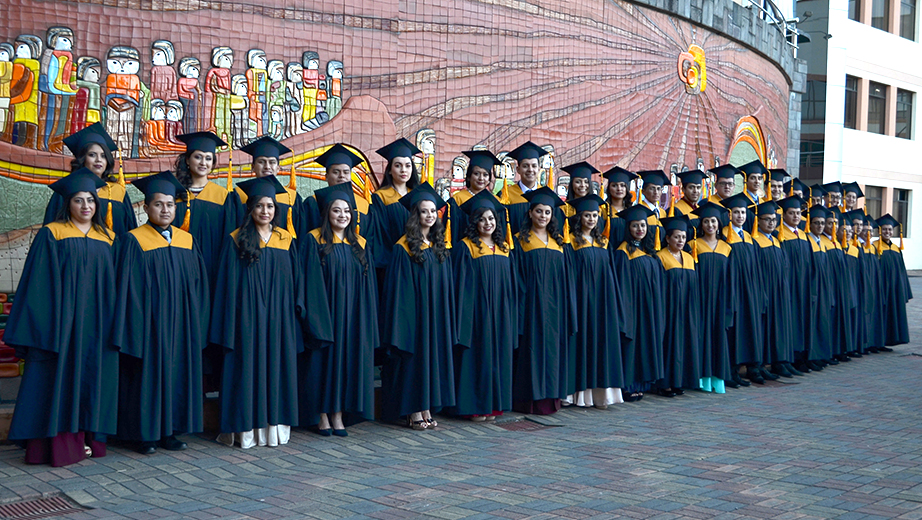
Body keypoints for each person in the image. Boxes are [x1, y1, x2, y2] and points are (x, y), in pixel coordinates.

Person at [211, 176, 332, 449]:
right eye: (259, 206)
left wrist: (296, 315)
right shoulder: (236, 240)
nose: (265, 211)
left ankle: (272, 430)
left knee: (277, 369)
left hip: (279, 319)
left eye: (270, 206)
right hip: (247, 319)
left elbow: (297, 282)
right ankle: (245, 431)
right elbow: (227, 286)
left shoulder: (285, 240)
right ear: (250, 209)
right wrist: (234, 321)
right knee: (246, 370)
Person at [6, 170, 117, 467]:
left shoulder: (108, 239)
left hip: (97, 326)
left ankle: (88, 441)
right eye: (78, 200)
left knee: (91, 380)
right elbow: (39, 284)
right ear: (67, 203)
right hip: (62, 326)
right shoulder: (52, 233)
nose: (85, 206)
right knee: (57, 381)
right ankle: (55, 446)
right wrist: (49, 325)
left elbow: (114, 285)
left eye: (90, 200)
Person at [111, 171, 209, 454]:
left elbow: (198, 287)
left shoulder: (186, 241)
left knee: (177, 376)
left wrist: (196, 323)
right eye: (158, 204)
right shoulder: (133, 240)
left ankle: (171, 433)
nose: (165, 209)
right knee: (148, 378)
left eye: (169, 205)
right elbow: (127, 289)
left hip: (181, 324)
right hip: (150, 324)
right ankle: (146, 435)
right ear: (145, 208)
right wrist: (139, 325)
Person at [299, 183, 378, 436]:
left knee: (347, 363)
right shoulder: (313, 240)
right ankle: (322, 414)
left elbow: (368, 286)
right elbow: (309, 281)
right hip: (326, 314)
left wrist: (365, 320)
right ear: (327, 214)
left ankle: (339, 414)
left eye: (346, 211)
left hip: (352, 316)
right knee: (323, 363)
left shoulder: (361, 244)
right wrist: (317, 318)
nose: (342, 215)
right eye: (336, 211)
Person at [379, 183, 456, 429]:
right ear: (416, 215)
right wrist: (411, 318)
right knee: (414, 361)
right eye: (424, 211)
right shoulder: (403, 248)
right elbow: (399, 290)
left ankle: (426, 406)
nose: (430, 215)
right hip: (414, 316)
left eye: (433, 211)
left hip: (435, 315)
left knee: (431, 359)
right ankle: (413, 409)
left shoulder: (439, 246)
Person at [451, 190, 517, 420]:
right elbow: (461, 286)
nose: (487, 223)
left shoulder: (505, 248)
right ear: (474, 222)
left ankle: (494, 406)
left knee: (498, 357)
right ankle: (476, 406)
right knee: (478, 358)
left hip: (500, 313)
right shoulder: (466, 247)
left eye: (491, 218)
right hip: (477, 313)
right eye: (481, 218)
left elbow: (511, 285)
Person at [511, 186, 576, 414]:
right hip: (531, 307)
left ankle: (550, 399)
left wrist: (569, 311)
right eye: (539, 211)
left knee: (553, 353)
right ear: (530, 213)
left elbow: (567, 280)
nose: (543, 216)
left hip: (556, 309)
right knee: (531, 352)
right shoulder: (520, 241)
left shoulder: (559, 243)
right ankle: (529, 401)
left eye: (547, 212)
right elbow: (516, 278)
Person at [565, 194, 624, 409]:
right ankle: (580, 395)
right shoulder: (570, 241)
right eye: (587, 215)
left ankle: (601, 395)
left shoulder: (603, 241)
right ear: (579, 217)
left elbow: (609, 274)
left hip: (601, 302)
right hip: (581, 301)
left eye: (594, 215)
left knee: (601, 345)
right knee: (582, 344)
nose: (591, 219)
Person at [44, 123, 137, 236]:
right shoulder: (67, 189)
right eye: (92, 155)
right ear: (82, 158)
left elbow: (129, 231)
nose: (99, 160)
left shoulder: (118, 192)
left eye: (103, 156)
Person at [612, 204, 664, 401]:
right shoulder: (623, 252)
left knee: (646, 343)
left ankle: (643, 383)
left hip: (649, 308)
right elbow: (621, 284)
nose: (639, 230)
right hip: (632, 307)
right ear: (628, 228)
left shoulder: (650, 252)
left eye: (642, 225)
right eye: (635, 226)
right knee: (632, 345)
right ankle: (628, 385)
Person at [172, 131, 240, 279]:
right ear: (188, 160)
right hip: (179, 265)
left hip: (213, 268)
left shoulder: (223, 197)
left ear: (213, 164)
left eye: (208, 158)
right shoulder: (174, 195)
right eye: (198, 157)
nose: (203, 163)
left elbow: (229, 239)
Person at [718, 193, 765, 385]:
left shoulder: (748, 237)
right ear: (730, 215)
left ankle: (752, 367)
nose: (740, 216)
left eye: (743, 212)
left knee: (749, 327)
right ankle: (732, 370)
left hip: (749, 291)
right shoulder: (724, 235)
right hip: (734, 289)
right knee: (734, 329)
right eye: (736, 212)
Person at [690, 201, 734, 391]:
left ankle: (717, 378)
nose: (710, 225)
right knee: (701, 337)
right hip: (701, 300)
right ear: (701, 225)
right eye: (706, 221)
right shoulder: (693, 245)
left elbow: (731, 278)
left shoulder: (726, 247)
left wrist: (729, 303)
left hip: (719, 300)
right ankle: (701, 379)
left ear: (719, 224)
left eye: (713, 221)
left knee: (718, 338)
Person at [655, 215, 700, 396]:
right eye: (676, 237)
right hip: (669, 309)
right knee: (670, 344)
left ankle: (680, 381)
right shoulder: (660, 258)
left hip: (687, 309)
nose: (680, 240)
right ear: (667, 238)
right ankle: (665, 383)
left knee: (684, 344)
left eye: (683, 237)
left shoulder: (689, 258)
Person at [751, 201, 796, 378]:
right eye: (767, 219)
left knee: (778, 327)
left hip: (778, 292)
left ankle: (778, 362)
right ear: (758, 221)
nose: (771, 223)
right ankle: (759, 365)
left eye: (773, 219)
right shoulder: (756, 242)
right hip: (764, 292)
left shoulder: (777, 241)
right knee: (763, 328)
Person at [368, 138, 421, 273]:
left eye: (408, 166)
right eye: (398, 165)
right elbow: (381, 234)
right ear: (390, 170)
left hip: (417, 258)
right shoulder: (381, 197)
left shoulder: (418, 195)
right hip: (393, 260)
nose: (403, 170)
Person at [237, 135, 304, 239]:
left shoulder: (291, 198)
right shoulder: (238, 194)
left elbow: (300, 233)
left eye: (272, 162)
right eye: (261, 162)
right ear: (253, 167)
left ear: (278, 168)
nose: (267, 166)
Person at [777, 195, 816, 373]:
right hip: (789, 286)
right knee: (789, 322)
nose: (795, 217)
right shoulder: (779, 234)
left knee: (802, 321)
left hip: (803, 286)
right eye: (791, 213)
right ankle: (786, 359)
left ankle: (800, 358)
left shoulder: (803, 235)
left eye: (798, 213)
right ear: (783, 215)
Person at [306, 143, 371, 237]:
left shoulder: (363, 205)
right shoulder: (312, 202)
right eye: (336, 172)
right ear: (326, 176)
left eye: (346, 172)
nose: (341, 176)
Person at [445, 150, 503, 244]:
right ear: (469, 176)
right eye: (476, 173)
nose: (481, 178)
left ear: (489, 179)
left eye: (485, 175)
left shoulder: (495, 201)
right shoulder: (457, 200)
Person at [823, 208, 856, 362]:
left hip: (839, 288)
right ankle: (829, 352)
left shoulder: (836, 242)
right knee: (829, 321)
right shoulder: (821, 242)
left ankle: (839, 350)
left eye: (835, 223)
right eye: (830, 223)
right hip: (829, 288)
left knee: (839, 320)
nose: (833, 226)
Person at [805, 205, 835, 370]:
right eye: (816, 223)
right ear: (810, 223)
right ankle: (810, 357)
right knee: (812, 324)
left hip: (822, 289)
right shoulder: (807, 241)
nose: (820, 226)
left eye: (822, 223)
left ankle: (820, 356)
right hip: (813, 289)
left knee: (822, 322)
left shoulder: (822, 242)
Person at [875, 214, 913, 347]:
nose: (887, 232)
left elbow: (902, 271)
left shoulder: (897, 249)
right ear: (879, 231)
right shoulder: (875, 247)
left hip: (895, 289)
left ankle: (890, 340)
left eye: (890, 230)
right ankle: (879, 342)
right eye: (884, 229)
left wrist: (903, 289)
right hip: (882, 289)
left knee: (893, 315)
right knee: (882, 315)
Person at [500, 141, 552, 236]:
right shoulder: (506, 196)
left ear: (539, 169)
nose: (530, 170)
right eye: (525, 166)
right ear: (518, 169)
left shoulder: (546, 195)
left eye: (534, 166)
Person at [601, 166, 637, 249]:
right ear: (609, 188)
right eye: (614, 185)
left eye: (622, 185)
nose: (619, 189)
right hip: (609, 252)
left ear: (627, 189)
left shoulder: (631, 211)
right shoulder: (603, 210)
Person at [636, 170, 670, 249]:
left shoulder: (663, 213)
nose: (656, 192)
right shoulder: (639, 211)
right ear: (643, 191)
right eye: (652, 188)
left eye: (658, 189)